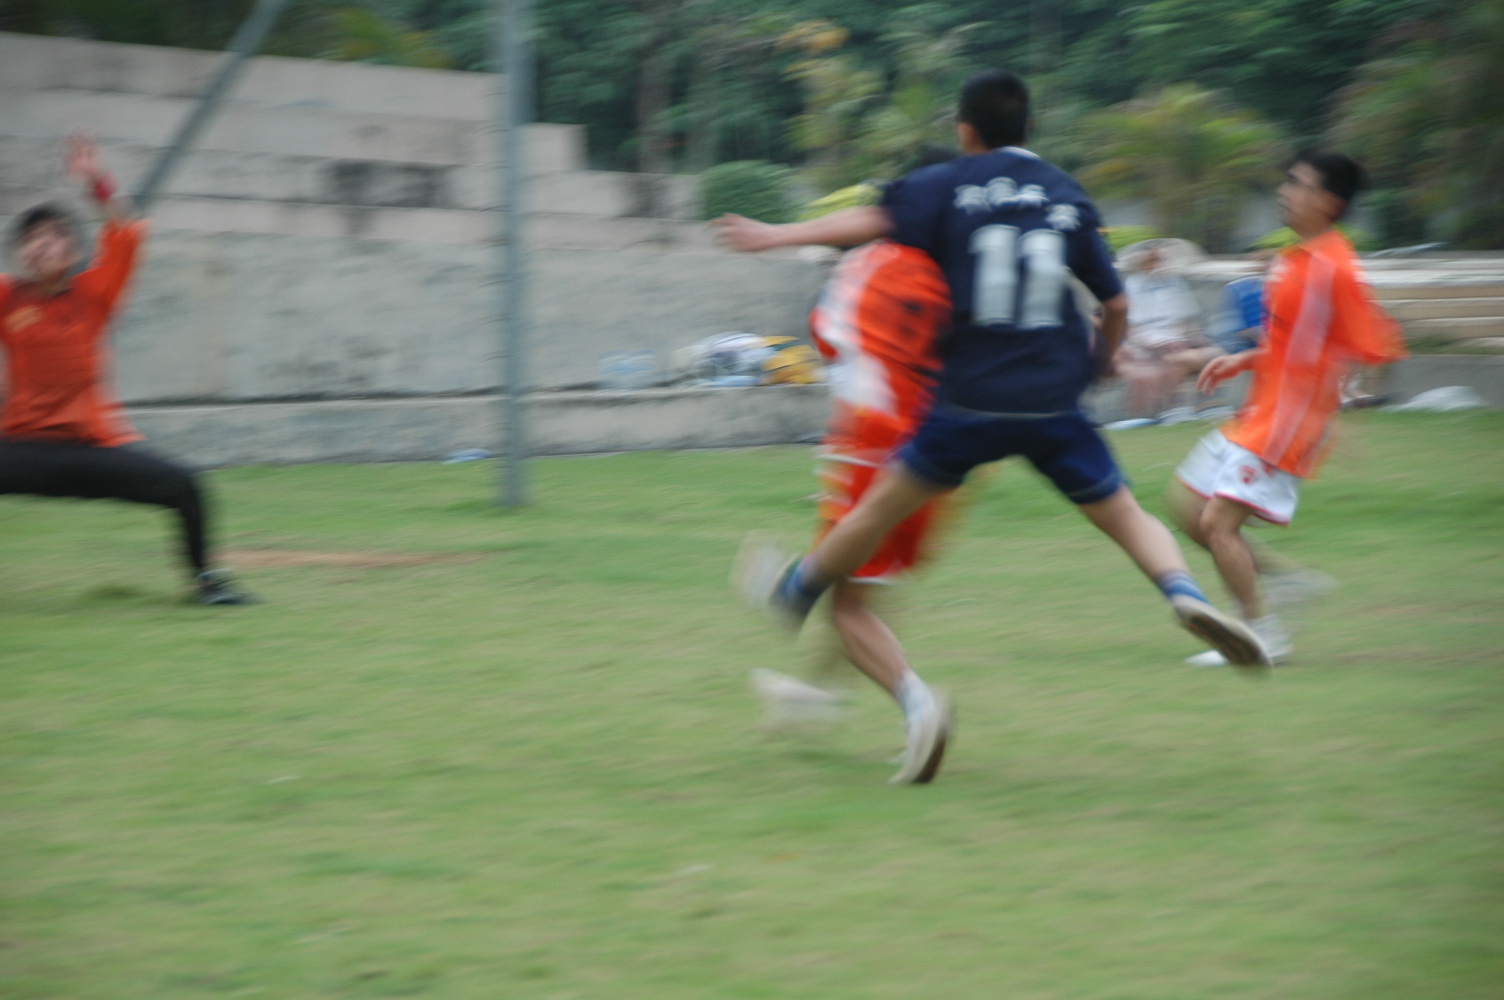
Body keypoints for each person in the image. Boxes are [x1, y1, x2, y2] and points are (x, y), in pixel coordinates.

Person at [719, 70, 1270, 782]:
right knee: (1127, 515)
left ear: (964, 130)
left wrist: (773, 236)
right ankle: (1185, 595)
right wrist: (1101, 361)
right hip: (1053, 396)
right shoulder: (1064, 192)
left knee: (870, 520)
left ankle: (799, 595)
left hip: (963, 404)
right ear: (1030, 128)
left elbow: (871, 227)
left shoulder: (943, 190)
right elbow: (1115, 304)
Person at [1169, 150, 1407, 664]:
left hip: (1288, 422)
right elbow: (1290, 345)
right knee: (1187, 506)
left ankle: (1261, 635)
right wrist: (1241, 360)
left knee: (1218, 523)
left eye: (1298, 184)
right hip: (1261, 412)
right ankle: (1285, 583)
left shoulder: (1334, 267)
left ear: (1328, 202)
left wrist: (1347, 408)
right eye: (1287, 182)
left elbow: (1377, 342)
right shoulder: (1293, 260)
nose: (1284, 191)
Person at [0, 134, 253, 605]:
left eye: (53, 236)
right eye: (31, 239)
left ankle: (207, 584)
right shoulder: (8, 297)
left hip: (93, 448)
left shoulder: (93, 293)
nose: (41, 246)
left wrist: (96, 179)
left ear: (72, 250)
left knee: (185, 484)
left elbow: (127, 227)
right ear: (20, 255)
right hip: (25, 448)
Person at [746, 223, 956, 785]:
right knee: (865, 589)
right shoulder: (954, 269)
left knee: (844, 598)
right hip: (943, 447)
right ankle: (814, 695)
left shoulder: (867, 266)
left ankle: (919, 708)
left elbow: (827, 335)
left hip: (869, 436)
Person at [1115, 245, 1220, 420]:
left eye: (1160, 260)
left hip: (1180, 343)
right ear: (1141, 265)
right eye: (1152, 261)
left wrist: (1199, 340)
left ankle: (1210, 405)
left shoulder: (1175, 283)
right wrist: (1162, 344)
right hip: (1150, 347)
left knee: (1215, 354)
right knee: (1181, 359)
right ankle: (1174, 408)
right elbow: (1133, 330)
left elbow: (1189, 321)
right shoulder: (1132, 287)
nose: (1158, 264)